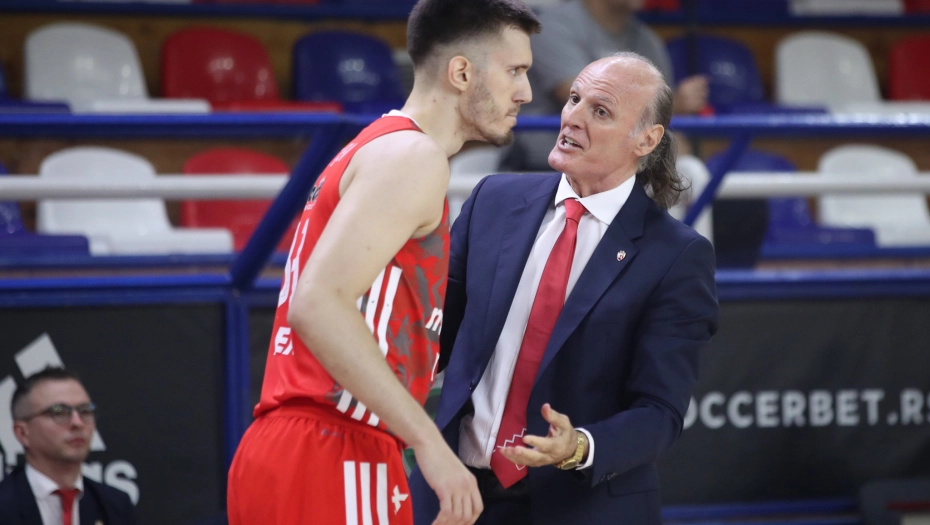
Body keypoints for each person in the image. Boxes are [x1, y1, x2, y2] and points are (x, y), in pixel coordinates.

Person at [226, 2, 540, 525]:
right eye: (515, 71)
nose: (526, 91)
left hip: (306, 443)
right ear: (462, 73)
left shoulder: (381, 147)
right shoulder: (413, 158)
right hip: (333, 442)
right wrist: (431, 444)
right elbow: (317, 303)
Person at [410, 53, 719, 525]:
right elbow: (433, 335)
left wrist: (579, 447)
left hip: (581, 504)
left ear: (646, 139)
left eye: (600, 111)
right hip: (454, 493)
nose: (573, 117)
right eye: (574, 98)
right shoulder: (493, 200)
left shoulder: (676, 255)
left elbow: (660, 412)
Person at [505, 0, 709, 171]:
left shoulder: (648, 40)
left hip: (626, 170)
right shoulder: (554, 26)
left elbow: (666, 132)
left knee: (692, 175)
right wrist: (671, 106)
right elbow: (587, 105)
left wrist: (682, 167)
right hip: (545, 170)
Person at [0, 367, 136, 525]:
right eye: (59, 412)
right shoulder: (5, 505)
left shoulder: (115, 505)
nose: (78, 423)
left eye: (85, 411)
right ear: (23, 433)